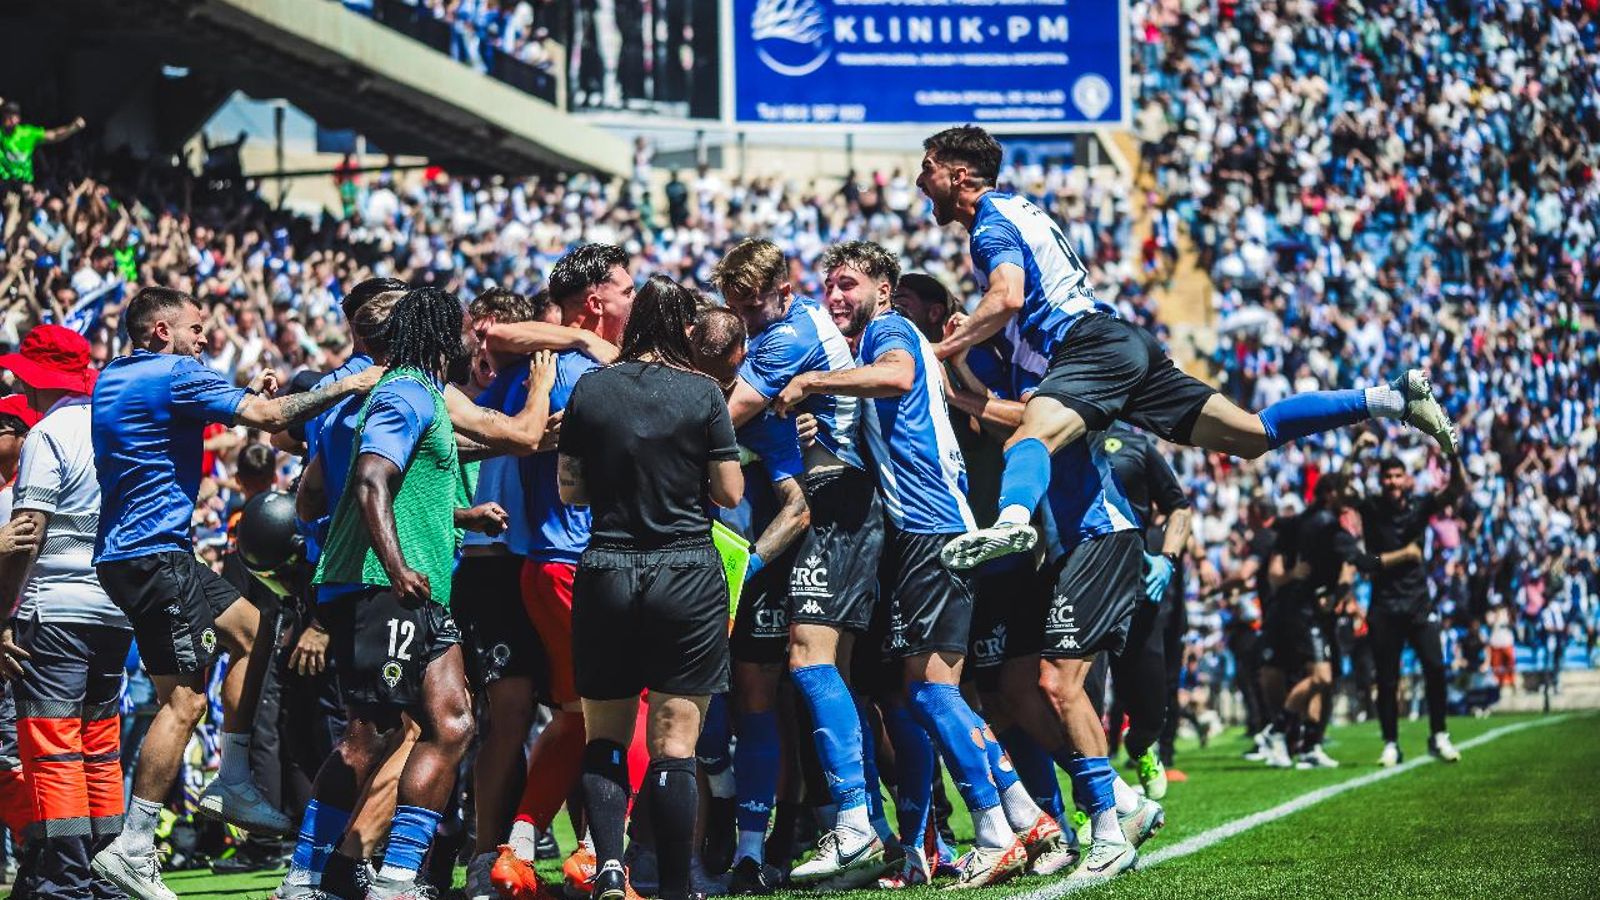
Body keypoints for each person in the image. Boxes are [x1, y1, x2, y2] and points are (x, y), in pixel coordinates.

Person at [918, 125, 1459, 572]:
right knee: (1251, 435)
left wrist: (937, 355)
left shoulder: (989, 226)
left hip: (1088, 346)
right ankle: (1391, 399)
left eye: (929, 169)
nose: (922, 181)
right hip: (1124, 346)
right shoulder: (1020, 210)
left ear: (958, 175)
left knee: (1029, 439)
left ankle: (1012, 522)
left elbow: (1007, 296)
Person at [774, 241, 1066, 888]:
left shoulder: (890, 328)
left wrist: (810, 381)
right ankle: (1028, 817)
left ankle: (994, 831)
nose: (835, 297)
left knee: (932, 691)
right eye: (829, 287)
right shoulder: (879, 339)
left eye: (848, 283)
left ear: (883, 289)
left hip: (929, 530)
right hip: (933, 529)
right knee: (936, 692)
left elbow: (899, 376)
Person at [88, 287, 381, 900]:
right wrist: (346, 386)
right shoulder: (176, 374)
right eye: (196, 327)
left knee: (255, 625)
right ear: (162, 331)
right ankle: (134, 844)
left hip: (143, 553)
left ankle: (235, 773)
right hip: (153, 557)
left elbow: (236, 410)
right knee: (184, 703)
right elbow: (272, 421)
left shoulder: (117, 374)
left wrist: (254, 394)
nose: (206, 337)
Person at [281, 285, 497, 900]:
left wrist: (462, 515)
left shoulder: (424, 393)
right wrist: (396, 567)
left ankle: (397, 877)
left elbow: (405, 492)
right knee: (368, 736)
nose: (468, 336)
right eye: (458, 325)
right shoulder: (403, 390)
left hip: (420, 588)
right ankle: (303, 876)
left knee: (453, 724)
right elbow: (373, 480)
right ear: (433, 330)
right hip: (384, 586)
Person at [557, 273, 744, 900]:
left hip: (607, 567)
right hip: (685, 569)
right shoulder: (703, 393)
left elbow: (571, 489)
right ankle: (673, 886)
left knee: (604, 733)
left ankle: (610, 867)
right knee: (675, 743)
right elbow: (730, 493)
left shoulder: (590, 389)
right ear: (685, 330)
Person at [712, 238, 886, 889]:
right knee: (796, 684)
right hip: (805, 506)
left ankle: (859, 822)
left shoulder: (788, 337)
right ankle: (838, 832)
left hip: (838, 502)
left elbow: (720, 417)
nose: (748, 319)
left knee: (818, 670)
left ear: (783, 292)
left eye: (754, 305)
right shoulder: (776, 333)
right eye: (737, 307)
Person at [494, 243, 638, 900]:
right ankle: (599, 854)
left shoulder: (552, 364)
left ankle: (521, 850)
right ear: (594, 302)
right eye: (626, 290)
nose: (634, 301)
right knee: (624, 707)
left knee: (577, 714)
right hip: (575, 564)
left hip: (547, 567)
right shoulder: (576, 368)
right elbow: (492, 331)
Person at [0, 325, 117, 899]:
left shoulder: (48, 434)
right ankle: (103, 871)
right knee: (99, 746)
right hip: (114, 609)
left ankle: (66, 882)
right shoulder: (112, 425)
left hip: (54, 608)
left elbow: (28, 534)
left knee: (53, 747)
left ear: (30, 376)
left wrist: (2, 616)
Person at [1349, 435, 1468, 766]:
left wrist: (1452, 457)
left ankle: (1439, 734)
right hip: (1384, 605)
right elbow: (1343, 491)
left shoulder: (1420, 505)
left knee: (1435, 666)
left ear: (1406, 478)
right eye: (1387, 476)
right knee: (1387, 680)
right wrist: (1355, 453)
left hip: (1418, 603)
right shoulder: (1372, 508)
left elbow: (1457, 491)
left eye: (1397, 475)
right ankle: (1390, 742)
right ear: (1380, 480)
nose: (1392, 482)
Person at [1088, 425, 1193, 799]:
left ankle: (1141, 745)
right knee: (1085, 698)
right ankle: (1092, 801)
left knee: (1151, 709)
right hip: (1084, 584)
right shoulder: (1059, 433)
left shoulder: (1136, 444)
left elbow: (1179, 506)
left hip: (1137, 584)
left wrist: (1168, 557)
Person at [0, 102, 86, 185]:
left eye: (13, 116)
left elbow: (54, 135)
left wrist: (72, 128)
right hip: (4, 181)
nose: (10, 119)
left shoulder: (27, 133)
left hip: (24, 182)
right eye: (7, 115)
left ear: (18, 118)